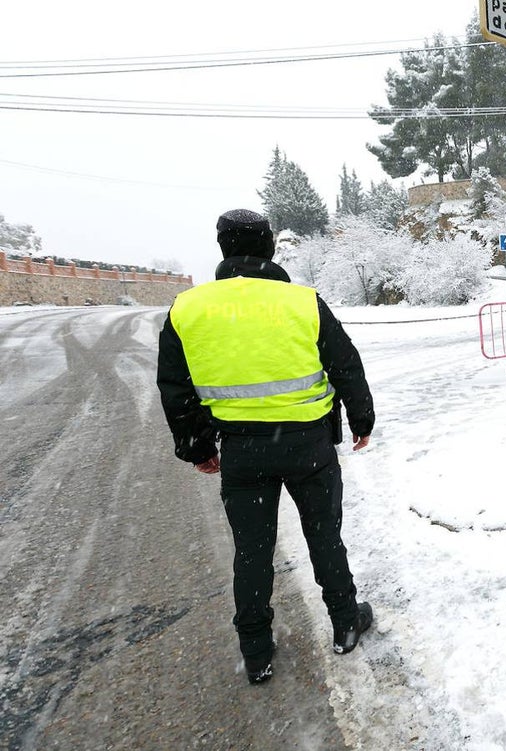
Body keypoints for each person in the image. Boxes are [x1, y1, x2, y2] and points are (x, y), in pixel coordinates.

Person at [157, 209, 376, 684]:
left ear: (222, 248)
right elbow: (345, 364)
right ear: (270, 247)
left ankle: (256, 649)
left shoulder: (188, 308)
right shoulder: (302, 301)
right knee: (324, 536)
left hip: (241, 451)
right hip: (309, 447)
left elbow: (174, 386)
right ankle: (344, 623)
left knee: (252, 551)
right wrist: (362, 418)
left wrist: (198, 447)